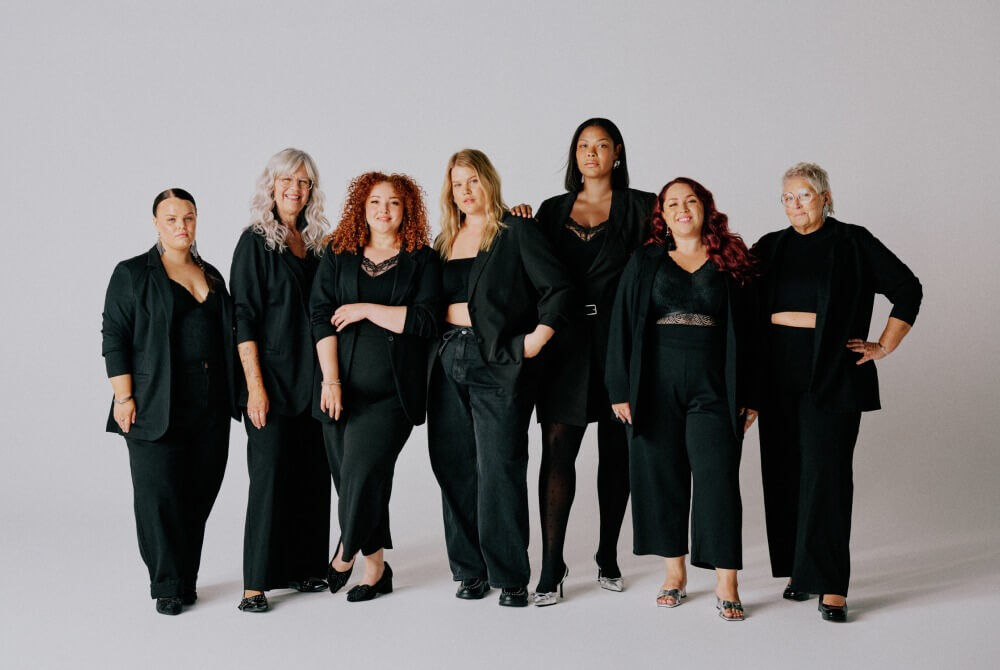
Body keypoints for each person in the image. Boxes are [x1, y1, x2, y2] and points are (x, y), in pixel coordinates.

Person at [752, 162, 922, 622]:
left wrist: (884, 344)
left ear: (825, 198)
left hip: (832, 375)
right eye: (787, 197)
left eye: (804, 196)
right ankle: (800, 571)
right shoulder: (771, 246)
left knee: (825, 476)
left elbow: (908, 288)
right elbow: (733, 290)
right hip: (777, 377)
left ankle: (831, 585)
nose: (795, 205)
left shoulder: (853, 241)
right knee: (784, 473)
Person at [513, 117, 657, 604]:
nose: (591, 153)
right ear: (575, 155)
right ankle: (551, 565)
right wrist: (519, 221)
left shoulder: (644, 207)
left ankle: (608, 555)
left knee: (617, 454)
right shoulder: (551, 210)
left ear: (617, 152)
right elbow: (532, 270)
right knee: (557, 452)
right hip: (564, 344)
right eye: (582, 145)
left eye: (601, 145)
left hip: (622, 344)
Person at [606, 178, 758, 621]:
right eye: (672, 203)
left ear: (705, 208)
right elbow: (620, 323)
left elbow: (752, 335)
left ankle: (727, 581)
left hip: (715, 385)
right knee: (661, 477)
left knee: (718, 479)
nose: (682, 208)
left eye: (690, 200)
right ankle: (674, 574)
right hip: (654, 384)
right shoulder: (645, 260)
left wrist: (751, 394)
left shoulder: (730, 259)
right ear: (663, 215)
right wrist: (619, 389)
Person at [427, 149, 573, 607]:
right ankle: (469, 570)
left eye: (472, 180)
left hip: (497, 359)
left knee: (500, 466)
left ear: (488, 181)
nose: (465, 191)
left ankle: (509, 575)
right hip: (447, 357)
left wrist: (535, 340)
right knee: (454, 465)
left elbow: (558, 288)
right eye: (457, 184)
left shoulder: (516, 230)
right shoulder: (444, 240)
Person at [102, 188, 238, 615]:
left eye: (189, 217)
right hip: (153, 403)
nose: (182, 226)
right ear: (156, 224)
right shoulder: (132, 273)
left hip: (210, 404)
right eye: (172, 219)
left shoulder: (211, 274)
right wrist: (123, 395)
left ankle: (185, 578)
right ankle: (167, 585)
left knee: (200, 490)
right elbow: (114, 336)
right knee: (159, 496)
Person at [310, 172, 442, 602]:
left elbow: (425, 321)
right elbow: (320, 315)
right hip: (339, 388)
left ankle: (344, 553)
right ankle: (377, 570)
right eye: (375, 202)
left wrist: (366, 308)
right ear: (361, 208)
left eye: (394, 203)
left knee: (362, 473)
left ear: (407, 210)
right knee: (358, 483)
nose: (384, 210)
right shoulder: (338, 252)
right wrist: (330, 380)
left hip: (392, 393)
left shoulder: (422, 259)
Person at [230, 148, 332, 612]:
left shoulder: (316, 243)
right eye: (287, 180)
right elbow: (243, 318)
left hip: (313, 380)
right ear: (271, 185)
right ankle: (255, 584)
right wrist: (254, 387)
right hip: (269, 380)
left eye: (304, 182)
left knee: (311, 472)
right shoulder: (254, 242)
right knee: (269, 476)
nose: (295, 188)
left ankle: (306, 567)